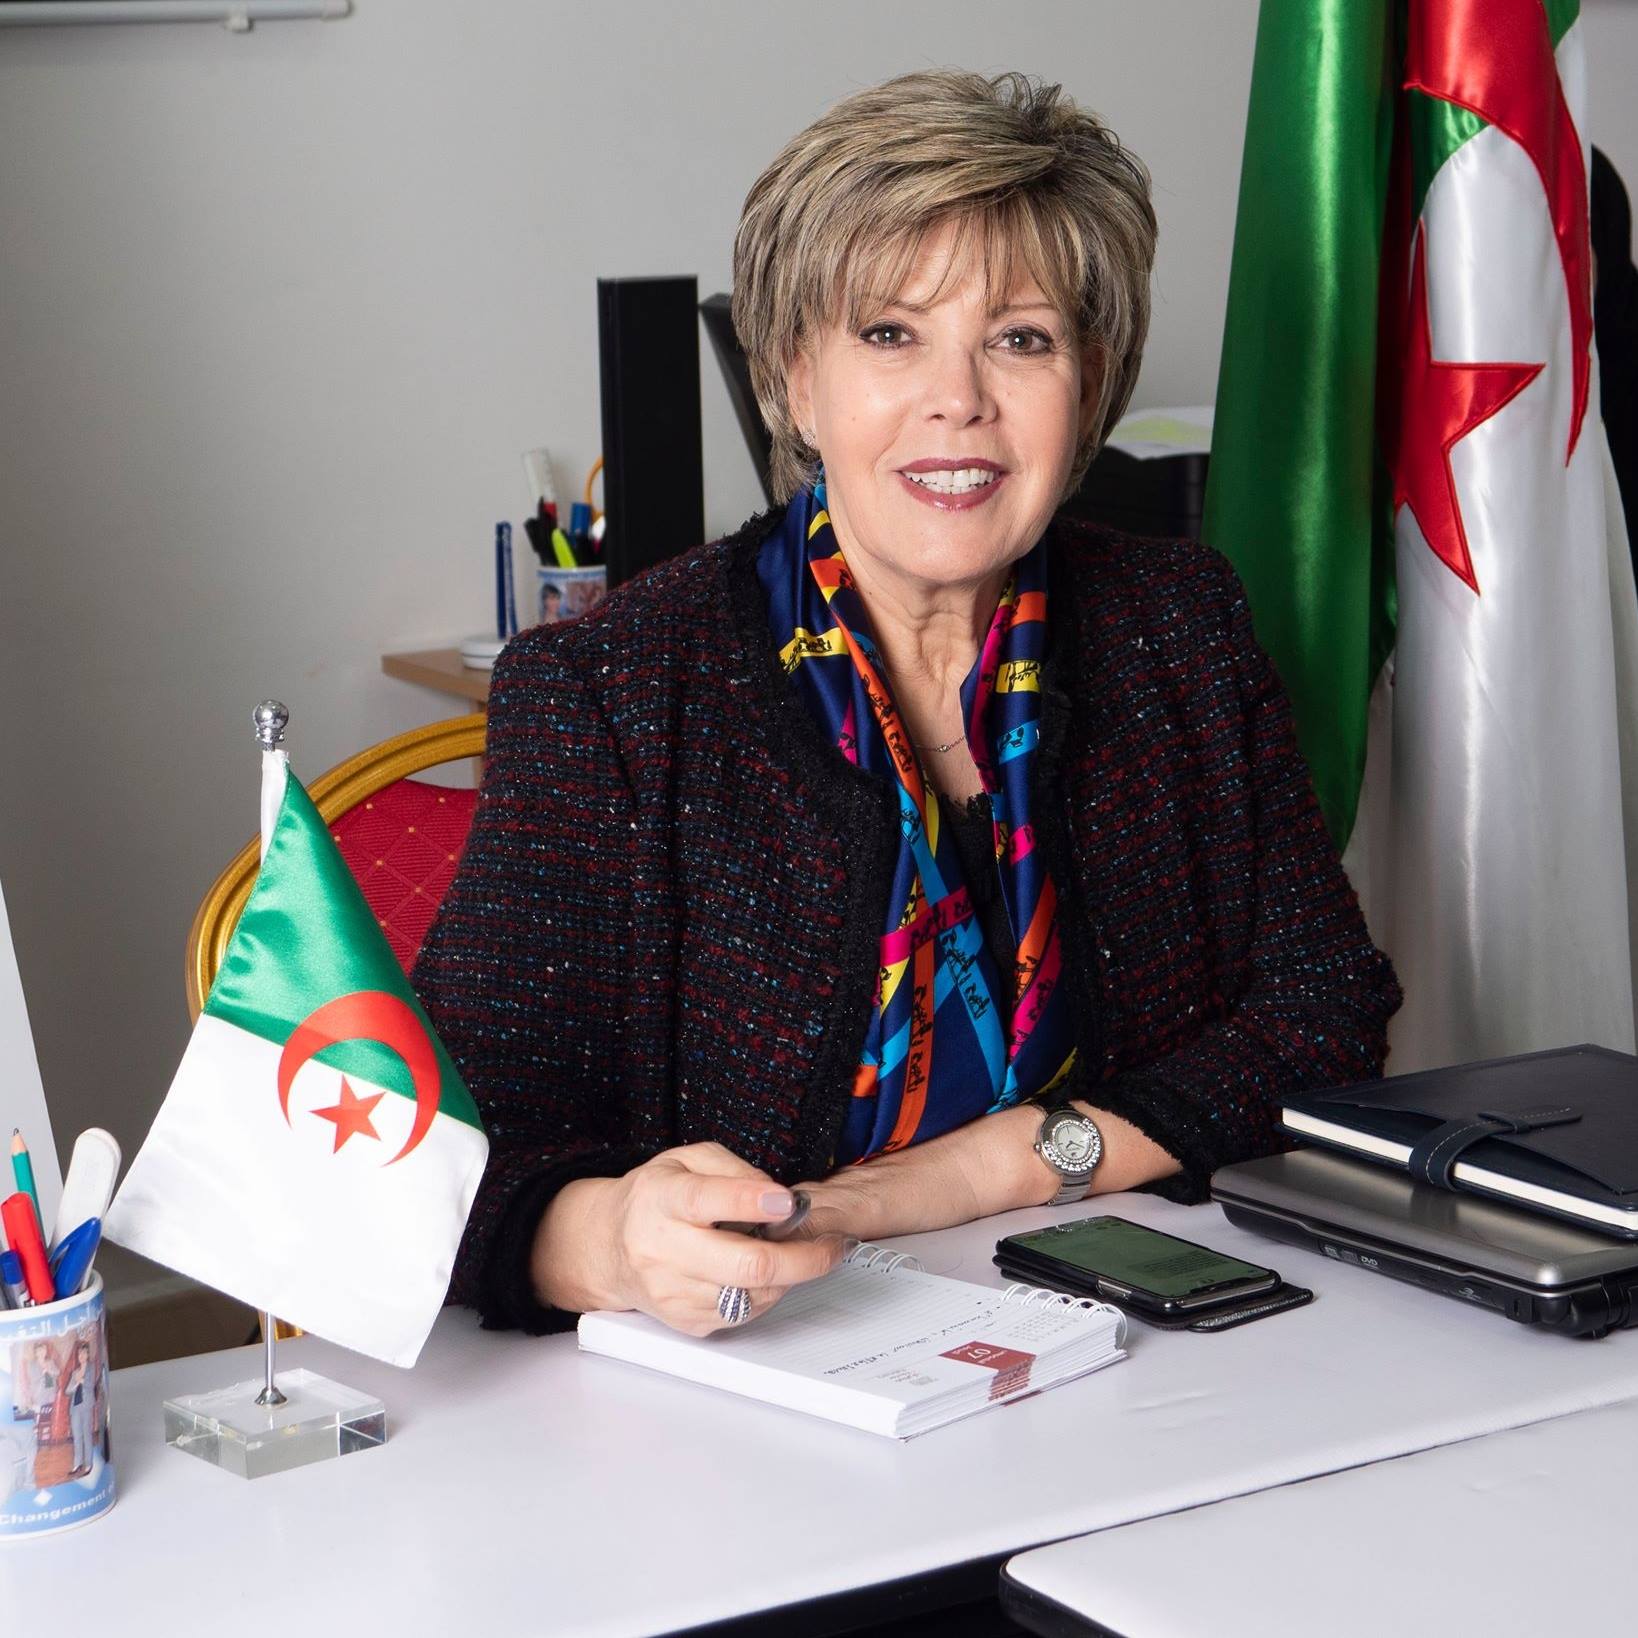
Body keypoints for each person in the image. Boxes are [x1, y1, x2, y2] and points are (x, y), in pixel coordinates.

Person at [414, 69, 1400, 1341]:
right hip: (761, 1372)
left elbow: (1324, 1016)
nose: (960, 398)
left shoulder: (1178, 627)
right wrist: (612, 1243)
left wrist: (979, 1171)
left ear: (1089, 384)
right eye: (890, 333)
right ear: (793, 379)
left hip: (1134, 1345)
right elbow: (452, 1170)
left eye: (1021, 339)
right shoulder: (615, 693)